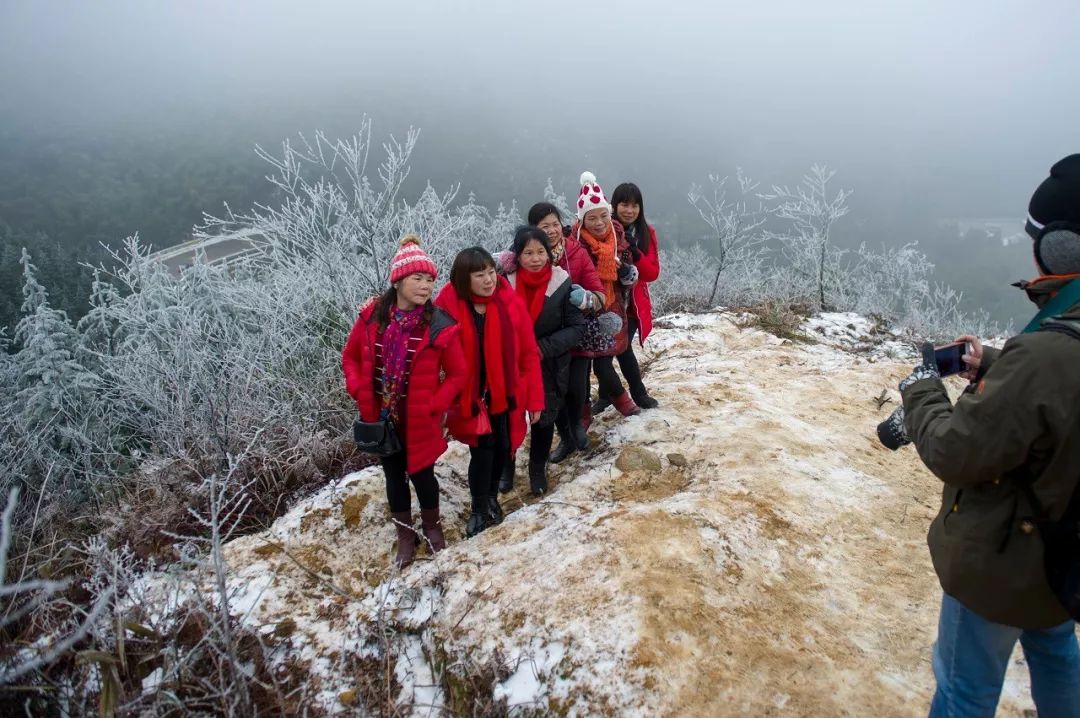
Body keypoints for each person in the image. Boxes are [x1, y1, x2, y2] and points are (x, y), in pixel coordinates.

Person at [879, 154, 1080, 717]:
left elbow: (954, 450)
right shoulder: (1054, 349)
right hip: (1066, 552)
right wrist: (995, 364)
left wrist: (921, 388)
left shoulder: (1043, 358)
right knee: (1057, 652)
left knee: (965, 689)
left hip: (1006, 559)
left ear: (1060, 248)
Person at [341, 236, 466, 569]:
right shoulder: (372, 318)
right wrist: (357, 388)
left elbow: (457, 374)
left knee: (423, 476)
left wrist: (434, 404)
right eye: (417, 279)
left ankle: (433, 529)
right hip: (382, 418)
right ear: (398, 280)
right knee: (393, 477)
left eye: (429, 280)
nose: (425, 287)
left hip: (421, 418)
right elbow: (351, 357)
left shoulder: (439, 325)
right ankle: (405, 537)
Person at [435, 247, 545, 537]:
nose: (489, 280)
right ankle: (479, 509)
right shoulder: (446, 305)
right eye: (479, 275)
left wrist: (534, 399)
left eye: (490, 272)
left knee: (502, 449)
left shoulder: (508, 302)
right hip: (471, 397)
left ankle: (493, 498)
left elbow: (528, 354)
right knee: (482, 452)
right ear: (463, 278)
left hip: (505, 393)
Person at [500, 226, 585, 494]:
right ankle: (507, 467)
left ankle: (537, 468)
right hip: (509, 364)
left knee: (544, 418)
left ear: (549, 254)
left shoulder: (562, 283)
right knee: (506, 417)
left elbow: (576, 328)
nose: (535, 258)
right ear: (517, 255)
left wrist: (542, 348)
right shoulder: (503, 282)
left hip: (548, 364)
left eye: (540, 252)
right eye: (528, 253)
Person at [525, 201, 605, 464]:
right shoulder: (528, 256)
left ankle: (576, 427)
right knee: (555, 392)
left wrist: (585, 299)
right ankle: (566, 436)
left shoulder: (576, 253)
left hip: (575, 334)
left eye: (554, 224)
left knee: (574, 386)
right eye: (543, 226)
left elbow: (600, 295)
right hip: (547, 339)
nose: (551, 230)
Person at [570, 172, 641, 421]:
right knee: (580, 369)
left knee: (602, 364)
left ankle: (625, 403)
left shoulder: (618, 238)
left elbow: (631, 277)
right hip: (583, 312)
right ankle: (582, 416)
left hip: (612, 309)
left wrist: (627, 273)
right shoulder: (574, 243)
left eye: (602, 215)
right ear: (582, 220)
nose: (599, 222)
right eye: (592, 217)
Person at [592, 181, 661, 414]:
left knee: (618, 349)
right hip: (606, 302)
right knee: (608, 351)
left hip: (631, 306)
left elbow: (652, 273)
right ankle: (612, 395)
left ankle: (633, 395)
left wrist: (636, 251)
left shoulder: (646, 233)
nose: (629, 210)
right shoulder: (602, 229)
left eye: (635, 205)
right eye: (624, 204)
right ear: (614, 205)